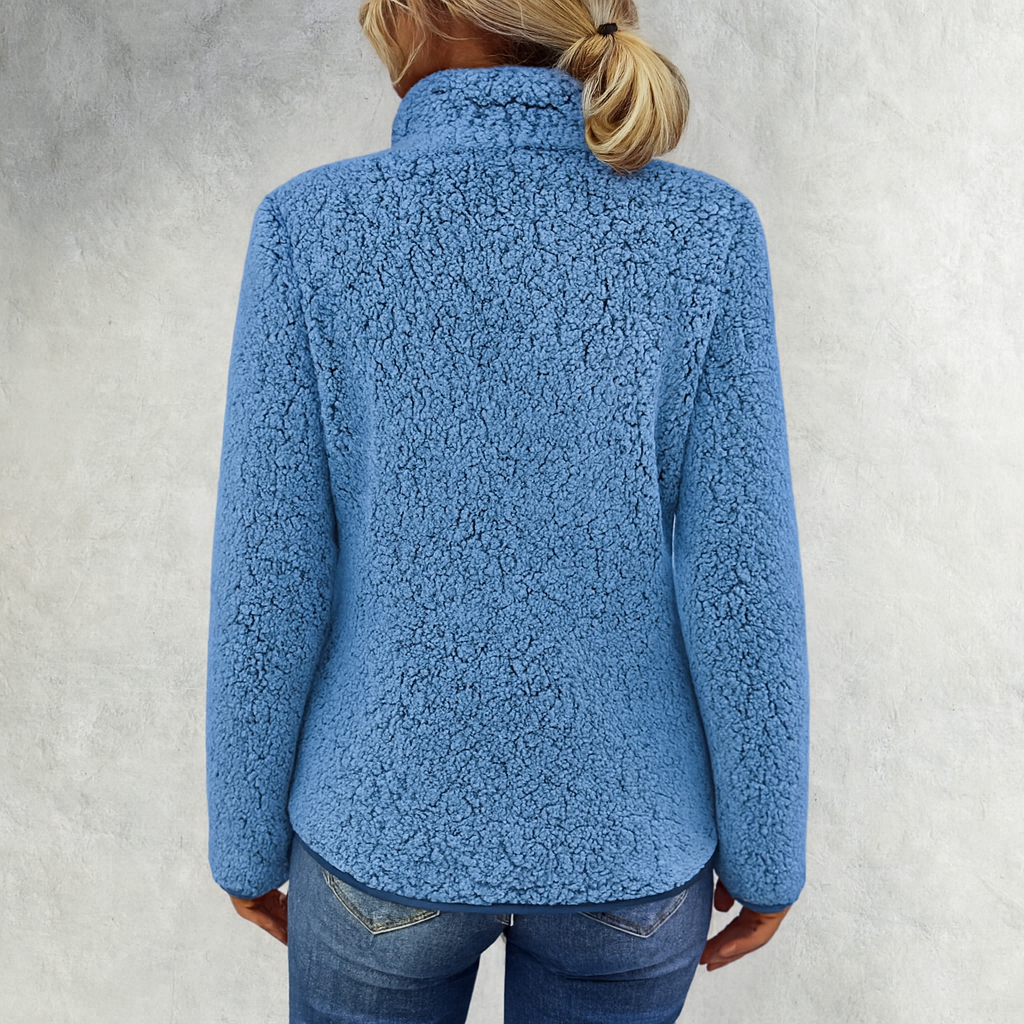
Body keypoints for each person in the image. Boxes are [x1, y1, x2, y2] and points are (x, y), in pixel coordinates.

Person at [204, 1, 811, 1021]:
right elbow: (742, 581)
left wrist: (245, 837)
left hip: (379, 829)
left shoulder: (311, 227)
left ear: (427, 11)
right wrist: (768, 849)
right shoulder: (705, 232)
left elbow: (269, 577)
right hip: (630, 838)